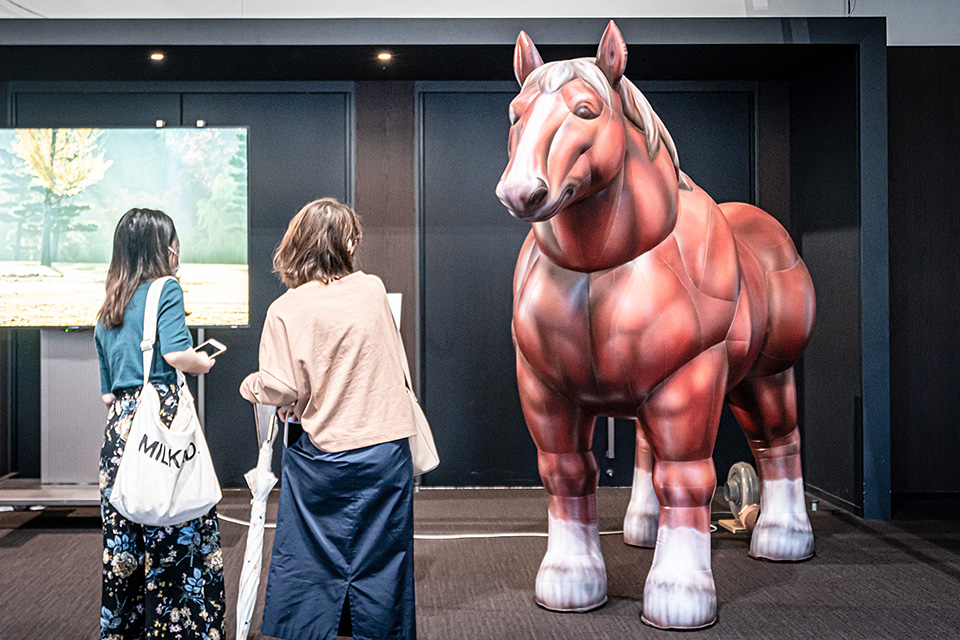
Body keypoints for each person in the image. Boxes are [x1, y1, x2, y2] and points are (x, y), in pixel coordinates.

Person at [240, 197, 417, 640]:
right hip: (386, 450)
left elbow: (281, 388)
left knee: (310, 561)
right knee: (383, 560)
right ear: (347, 244)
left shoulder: (286, 308)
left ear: (295, 244)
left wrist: (251, 386)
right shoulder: (372, 289)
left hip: (324, 455)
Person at [94, 208, 225, 640]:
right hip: (161, 423)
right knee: (177, 533)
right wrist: (202, 362)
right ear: (163, 249)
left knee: (123, 547)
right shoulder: (166, 288)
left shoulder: (109, 306)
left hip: (120, 431)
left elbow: (108, 394)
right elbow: (176, 354)